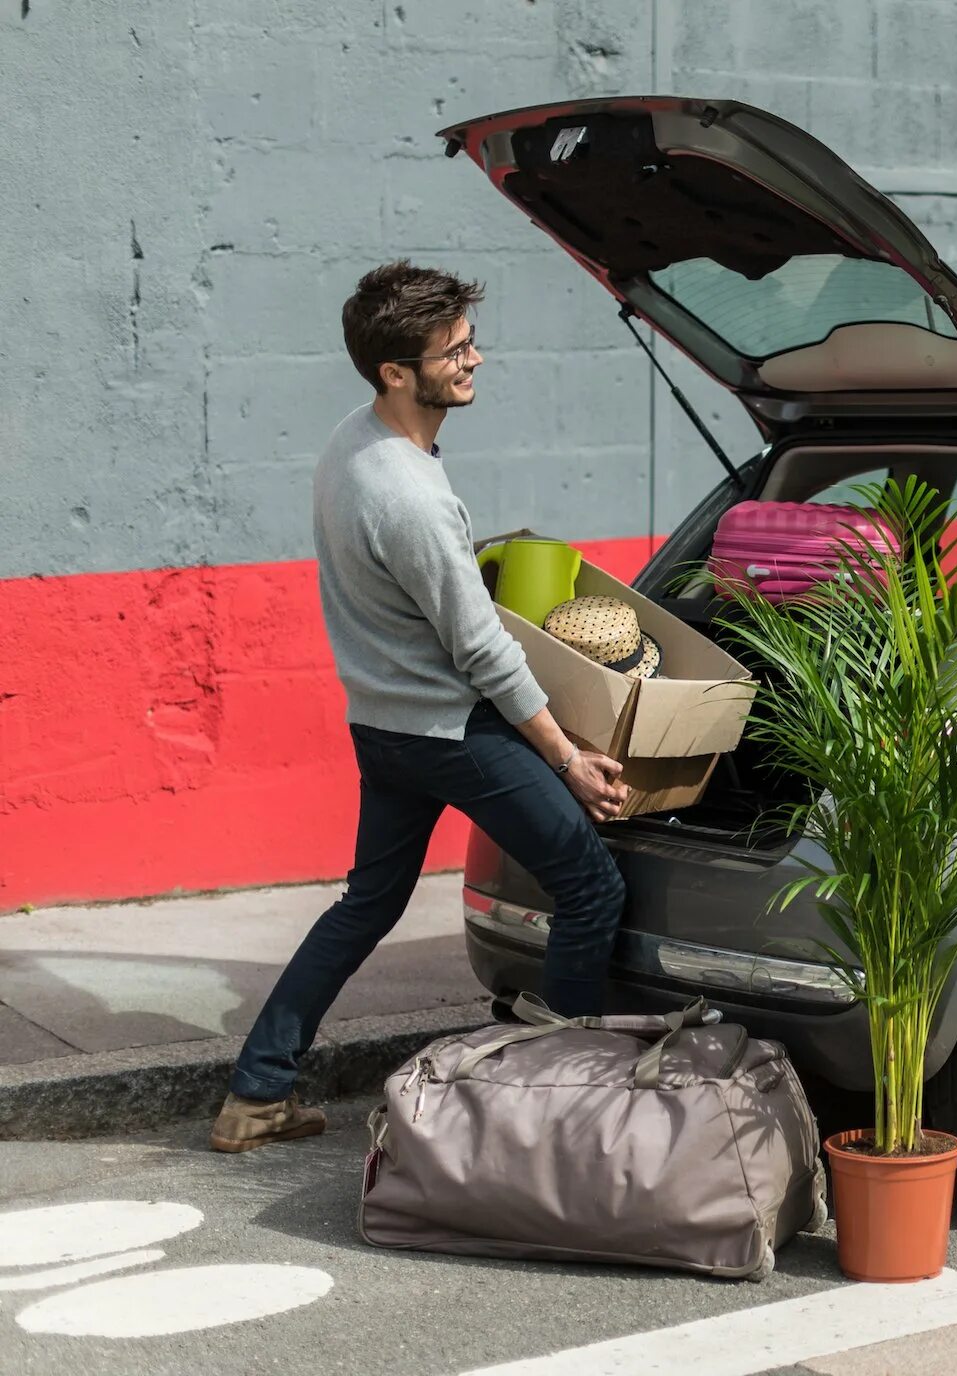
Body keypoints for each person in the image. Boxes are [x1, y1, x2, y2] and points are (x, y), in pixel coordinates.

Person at [210, 261, 631, 1153]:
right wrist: (566, 755)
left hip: (383, 724)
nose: (476, 359)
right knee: (590, 888)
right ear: (396, 371)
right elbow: (480, 650)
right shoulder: (410, 494)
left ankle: (257, 1092)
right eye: (455, 351)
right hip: (451, 731)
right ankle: (560, 1114)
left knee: (366, 904)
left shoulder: (349, 443)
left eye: (470, 340)